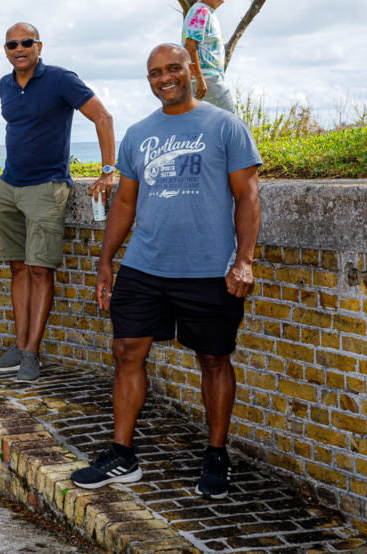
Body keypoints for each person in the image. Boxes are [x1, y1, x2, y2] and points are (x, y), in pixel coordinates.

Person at [70, 44, 260, 499]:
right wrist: (105, 262)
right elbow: (126, 202)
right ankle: (122, 454)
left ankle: (216, 454)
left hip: (207, 269)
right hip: (145, 266)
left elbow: (248, 196)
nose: (164, 78)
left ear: (192, 71)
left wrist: (244, 260)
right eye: (155, 73)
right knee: (125, 350)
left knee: (213, 359)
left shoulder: (225, 125)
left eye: (173, 69)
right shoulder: (139, 134)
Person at [0, 23, 116, 381]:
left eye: (26, 42)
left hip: (47, 185)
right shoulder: (4, 85)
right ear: (6, 49)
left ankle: (31, 354)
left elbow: (102, 117)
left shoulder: (61, 79)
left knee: (41, 269)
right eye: (12, 44)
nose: (19, 48)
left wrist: (108, 170)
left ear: (38, 45)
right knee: (17, 268)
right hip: (9, 185)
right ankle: (18, 345)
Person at [182, 0, 235, 113]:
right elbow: (189, 45)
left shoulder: (206, 12)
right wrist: (200, 78)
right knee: (232, 121)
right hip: (207, 78)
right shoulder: (201, 11)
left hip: (207, 79)